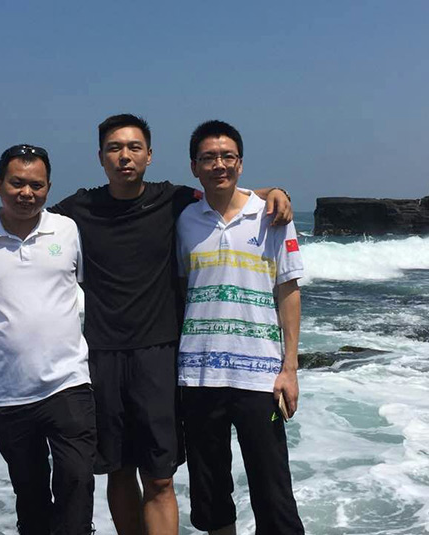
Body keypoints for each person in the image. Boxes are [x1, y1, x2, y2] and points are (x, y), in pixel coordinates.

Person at [0, 114, 292, 535]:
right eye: (114, 148)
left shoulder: (173, 200)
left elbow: (223, 192)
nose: (124, 156)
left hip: (159, 355)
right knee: (117, 471)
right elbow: (25, 220)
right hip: (101, 357)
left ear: (149, 155)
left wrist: (274, 192)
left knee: (161, 477)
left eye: (134, 148)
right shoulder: (79, 210)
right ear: (100, 157)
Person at [176, 120, 305, 535]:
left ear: (241, 163)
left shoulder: (272, 216)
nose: (219, 164)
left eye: (227, 156)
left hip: (260, 377)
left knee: (274, 492)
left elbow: (288, 291)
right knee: (211, 493)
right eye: (209, 158)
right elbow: (182, 290)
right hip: (198, 377)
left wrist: (290, 369)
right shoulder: (184, 221)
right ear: (194, 167)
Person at [0, 144, 96, 535]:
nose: (27, 193)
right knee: (31, 495)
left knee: (77, 482)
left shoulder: (67, 230)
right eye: (17, 183)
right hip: (10, 395)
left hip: (70, 384)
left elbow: (97, 290)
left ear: (49, 187)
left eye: (36, 185)